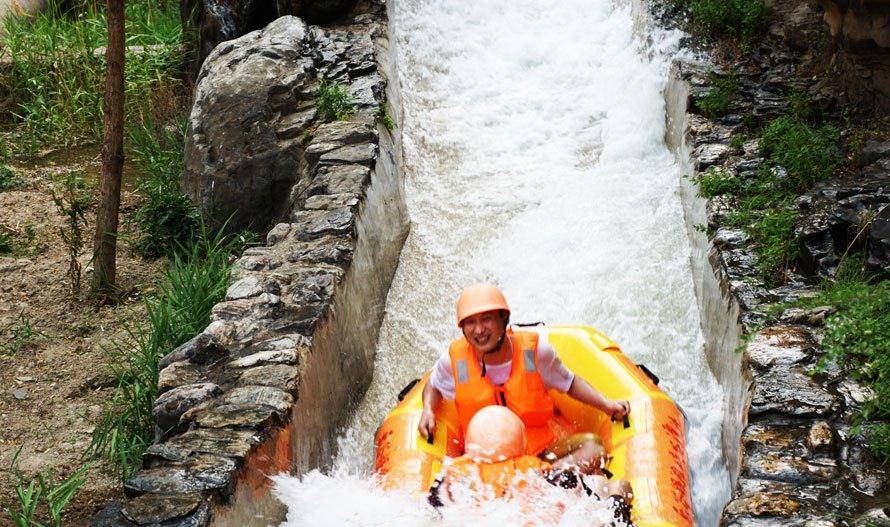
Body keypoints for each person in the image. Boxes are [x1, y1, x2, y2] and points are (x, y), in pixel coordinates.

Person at [418, 283, 630, 469]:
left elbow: (570, 383)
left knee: (593, 447)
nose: (479, 330)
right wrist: (428, 409)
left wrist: (607, 405)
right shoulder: (455, 361)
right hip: (486, 464)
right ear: (463, 328)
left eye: (487, 319)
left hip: (541, 453)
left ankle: (549, 480)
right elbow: (433, 386)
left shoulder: (537, 353)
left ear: (504, 319)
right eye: (470, 322)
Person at [428, 406, 634, 525]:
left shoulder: (451, 478)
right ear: (523, 445)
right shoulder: (536, 474)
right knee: (610, 486)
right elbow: (586, 503)